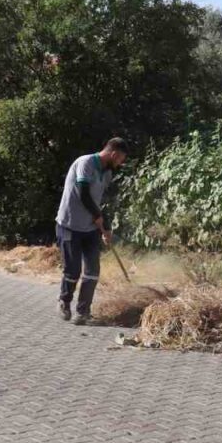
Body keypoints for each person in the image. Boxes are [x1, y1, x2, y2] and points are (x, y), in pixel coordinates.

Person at [55, 138, 128, 325]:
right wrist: (97, 215)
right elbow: (83, 193)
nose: (121, 163)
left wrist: (107, 227)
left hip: (90, 229)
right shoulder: (85, 163)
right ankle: (64, 302)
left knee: (92, 271)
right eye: (120, 159)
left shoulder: (107, 172)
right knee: (72, 269)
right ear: (113, 154)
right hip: (70, 225)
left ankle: (83, 311)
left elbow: (103, 202)